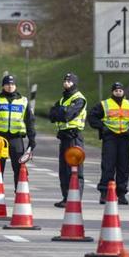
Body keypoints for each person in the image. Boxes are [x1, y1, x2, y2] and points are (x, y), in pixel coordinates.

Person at [88, 82, 129, 205]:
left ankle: (121, 194)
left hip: (125, 138)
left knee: (123, 167)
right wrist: (102, 128)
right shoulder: (104, 104)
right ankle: (104, 193)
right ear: (112, 92)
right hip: (110, 137)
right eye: (116, 90)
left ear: (123, 91)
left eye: (120, 90)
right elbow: (92, 117)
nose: (118, 92)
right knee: (108, 166)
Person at [0, 74, 36, 188]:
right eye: (7, 84)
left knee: (19, 168)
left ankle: (20, 194)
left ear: (15, 86)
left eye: (12, 84)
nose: (10, 86)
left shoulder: (23, 101)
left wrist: (32, 139)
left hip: (16, 138)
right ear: (3, 86)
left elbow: (30, 121)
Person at [49, 72, 87, 208]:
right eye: (65, 81)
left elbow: (68, 115)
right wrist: (61, 111)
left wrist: (61, 111)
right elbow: (51, 114)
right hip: (64, 137)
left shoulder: (79, 99)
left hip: (74, 137)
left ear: (74, 83)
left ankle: (75, 199)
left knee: (75, 169)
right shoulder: (62, 99)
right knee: (63, 170)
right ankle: (66, 197)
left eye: (69, 81)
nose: (66, 83)